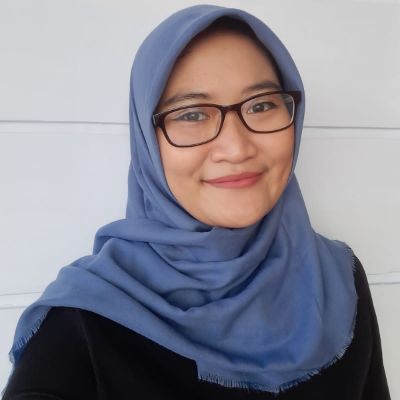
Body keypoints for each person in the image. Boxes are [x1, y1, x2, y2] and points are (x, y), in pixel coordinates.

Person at [2, 4, 391, 400]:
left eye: (261, 105)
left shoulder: (338, 276)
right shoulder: (82, 321)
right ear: (147, 140)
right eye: (191, 114)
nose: (236, 148)